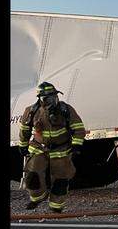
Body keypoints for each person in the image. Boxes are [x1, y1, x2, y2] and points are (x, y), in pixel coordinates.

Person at [17, 82, 86, 212]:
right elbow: (25, 130)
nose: (52, 100)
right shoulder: (31, 111)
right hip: (39, 149)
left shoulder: (66, 110)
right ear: (40, 99)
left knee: (61, 181)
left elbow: (78, 128)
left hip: (61, 150)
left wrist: (77, 144)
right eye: (47, 98)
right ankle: (37, 198)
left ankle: (56, 207)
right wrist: (23, 145)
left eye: (54, 97)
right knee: (32, 177)